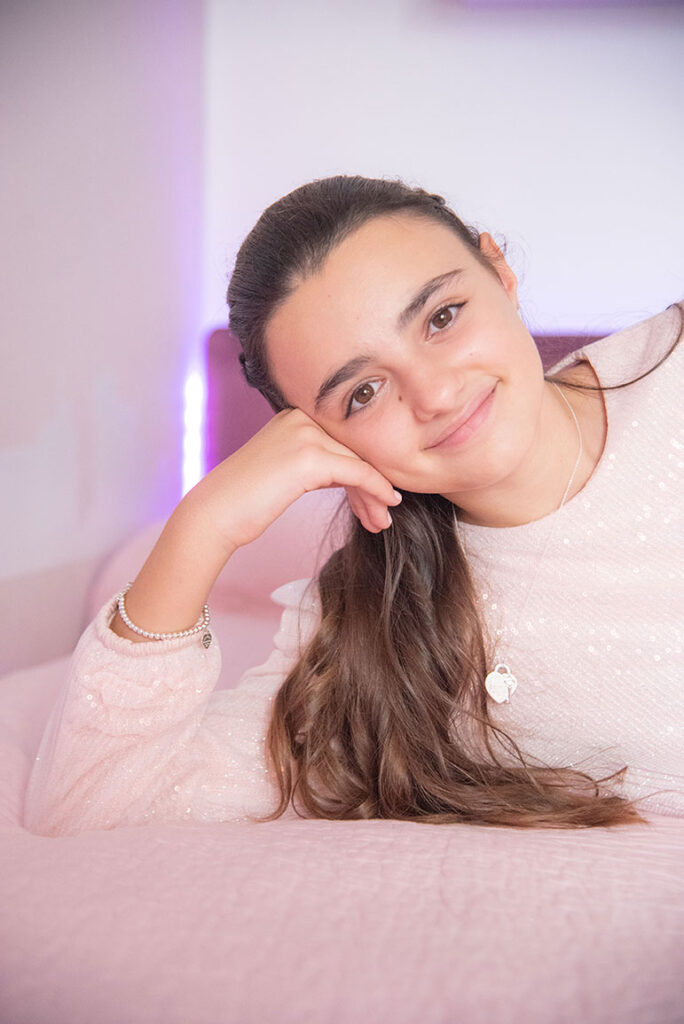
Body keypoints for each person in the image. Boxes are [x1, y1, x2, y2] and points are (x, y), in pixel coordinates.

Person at [23, 175, 683, 838]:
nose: (435, 395)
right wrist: (203, 524)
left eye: (442, 318)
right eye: (362, 393)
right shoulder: (380, 637)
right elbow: (88, 808)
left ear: (499, 274)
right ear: (319, 439)